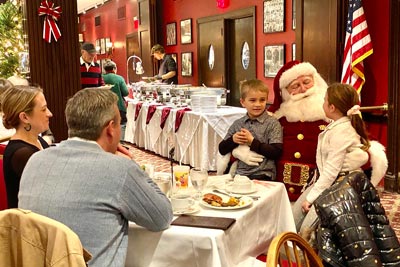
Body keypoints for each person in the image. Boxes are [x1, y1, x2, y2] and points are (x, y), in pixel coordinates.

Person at [18, 88, 173, 266]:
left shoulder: (35, 161)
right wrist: (133, 166)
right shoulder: (120, 169)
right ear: (111, 128)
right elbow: (162, 217)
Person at [292, 83, 387, 235]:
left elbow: (332, 171)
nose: (322, 103)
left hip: (339, 186)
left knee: (307, 230)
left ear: (332, 108)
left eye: (324, 100)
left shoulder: (342, 132)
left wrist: (311, 198)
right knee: (292, 220)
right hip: (327, 182)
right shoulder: (336, 126)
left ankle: (309, 256)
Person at [218, 79, 283, 181]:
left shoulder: (272, 123)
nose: (258, 104)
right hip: (239, 175)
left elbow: (276, 152)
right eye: (252, 100)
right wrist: (233, 140)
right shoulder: (238, 124)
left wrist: (252, 142)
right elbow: (222, 149)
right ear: (243, 102)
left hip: (264, 175)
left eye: (262, 100)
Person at [1, 85, 53, 208]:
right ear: (25, 117)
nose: (49, 114)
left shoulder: (39, 140)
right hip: (27, 223)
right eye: (44, 109)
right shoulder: (22, 154)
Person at [102, 60, 129, 140]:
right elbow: (126, 92)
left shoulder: (101, 77)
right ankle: (120, 143)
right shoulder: (119, 78)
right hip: (118, 106)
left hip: (103, 107)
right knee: (122, 124)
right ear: (114, 69)